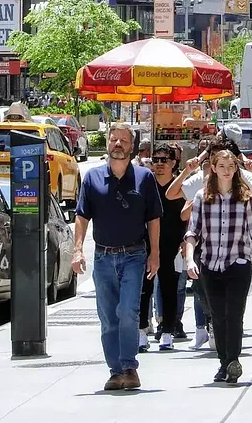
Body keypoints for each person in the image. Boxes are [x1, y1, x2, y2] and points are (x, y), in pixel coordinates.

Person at [73, 123, 162, 391]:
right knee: (108, 317)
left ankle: (129, 367)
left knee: (128, 312)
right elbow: (81, 216)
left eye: (124, 140)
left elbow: (154, 219)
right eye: (114, 140)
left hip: (134, 255)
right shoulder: (92, 178)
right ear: (108, 143)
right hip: (103, 258)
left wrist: (155, 254)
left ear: (132, 146)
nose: (118, 144)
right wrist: (77, 250)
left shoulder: (144, 178)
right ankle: (116, 371)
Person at [185, 149, 252, 384]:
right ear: (213, 168)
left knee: (234, 314)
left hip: (238, 263)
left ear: (236, 170)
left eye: (231, 167)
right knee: (217, 316)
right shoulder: (203, 197)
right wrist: (190, 259)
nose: (226, 171)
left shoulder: (245, 197)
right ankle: (224, 362)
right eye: (222, 166)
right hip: (210, 264)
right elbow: (192, 232)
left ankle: (233, 360)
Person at [138, 143, 186, 352]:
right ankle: (141, 331)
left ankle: (167, 331)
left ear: (173, 163)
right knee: (143, 289)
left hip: (172, 244)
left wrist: (185, 241)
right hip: (147, 244)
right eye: (155, 160)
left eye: (164, 160)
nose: (159, 165)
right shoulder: (146, 187)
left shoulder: (179, 188)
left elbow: (186, 218)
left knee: (169, 288)